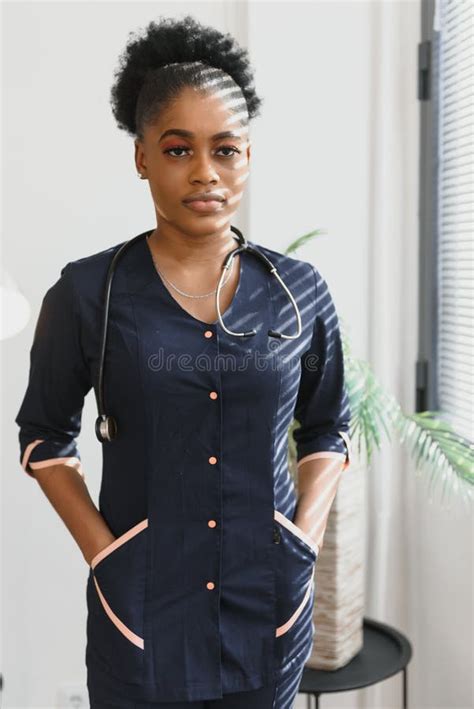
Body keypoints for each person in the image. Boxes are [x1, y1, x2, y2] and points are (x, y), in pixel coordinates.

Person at [14, 14, 352, 709]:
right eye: (177, 150)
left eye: (225, 150)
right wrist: (106, 556)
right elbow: (45, 434)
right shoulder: (87, 294)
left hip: (269, 613)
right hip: (140, 618)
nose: (205, 172)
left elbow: (330, 427)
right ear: (140, 157)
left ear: (249, 156)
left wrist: (304, 538)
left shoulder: (300, 292)